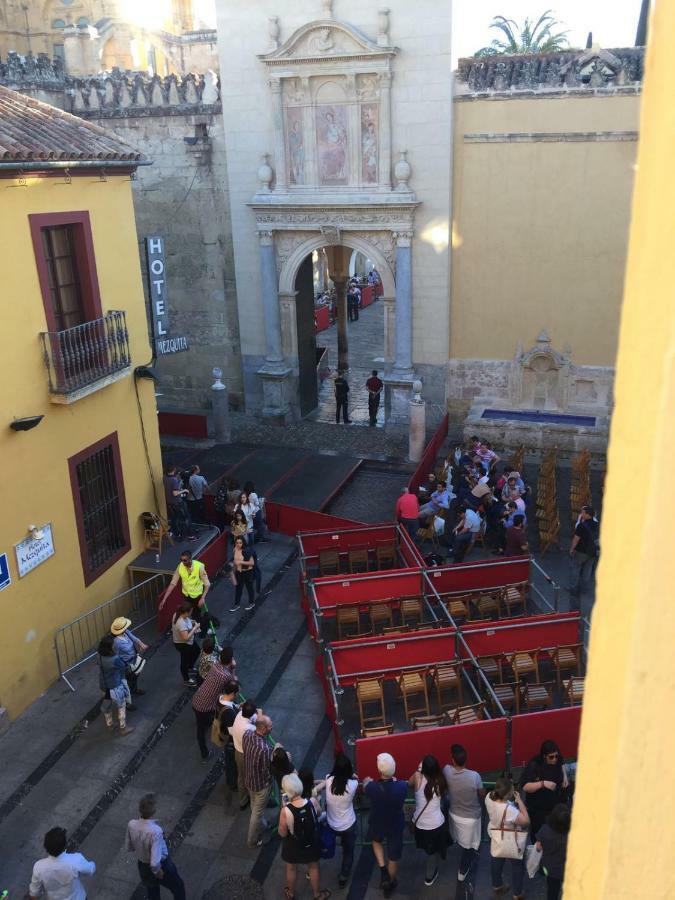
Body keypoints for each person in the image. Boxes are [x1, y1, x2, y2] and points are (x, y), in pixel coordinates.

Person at [278, 772, 330, 900]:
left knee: (291, 868)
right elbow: (318, 814)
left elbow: (282, 833)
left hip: (293, 845)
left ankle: (290, 893)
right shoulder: (312, 801)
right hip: (311, 842)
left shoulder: (285, 811)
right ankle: (317, 895)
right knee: (313, 867)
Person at [363, 753, 408, 898]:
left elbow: (365, 787)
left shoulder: (372, 787)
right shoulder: (402, 786)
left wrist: (366, 781)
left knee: (376, 841)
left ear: (380, 771)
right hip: (395, 824)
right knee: (393, 857)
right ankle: (390, 881)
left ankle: (383, 870)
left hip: (378, 821)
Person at [443, 744, 485, 896]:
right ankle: (462, 871)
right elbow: (482, 793)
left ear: (453, 760)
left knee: (463, 843)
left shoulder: (446, 771)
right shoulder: (475, 776)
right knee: (470, 848)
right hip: (472, 819)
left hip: (454, 814)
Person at [126, 793, 186, 899]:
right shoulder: (156, 832)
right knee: (178, 887)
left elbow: (129, 847)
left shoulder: (131, 824)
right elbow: (154, 862)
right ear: (154, 811)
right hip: (162, 866)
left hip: (143, 865)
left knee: (153, 892)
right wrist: (158, 871)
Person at [485, 777, 530, 899]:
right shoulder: (509, 810)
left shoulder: (488, 797)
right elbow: (526, 821)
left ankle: (497, 885)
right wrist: (519, 801)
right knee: (517, 866)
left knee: (496, 859)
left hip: (495, 833)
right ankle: (517, 894)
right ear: (508, 794)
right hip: (510, 838)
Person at [408, 755, 448, 887]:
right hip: (437, 824)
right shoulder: (441, 780)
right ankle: (430, 874)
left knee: (429, 849)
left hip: (421, 824)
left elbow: (409, 783)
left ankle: (429, 875)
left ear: (423, 769)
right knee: (433, 851)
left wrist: (419, 769)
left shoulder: (417, 776)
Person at [191, 647, 237, 761]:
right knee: (201, 730)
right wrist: (234, 667)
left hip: (198, 698)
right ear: (231, 660)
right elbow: (233, 682)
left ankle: (205, 723)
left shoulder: (215, 665)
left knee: (201, 722)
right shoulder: (226, 676)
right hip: (205, 706)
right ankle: (205, 753)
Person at [321, 753, 359, 887]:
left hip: (332, 823)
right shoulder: (353, 784)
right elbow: (354, 781)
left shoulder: (328, 779)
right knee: (349, 852)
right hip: (348, 824)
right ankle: (343, 876)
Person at [28, 826, 95, 900]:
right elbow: (90, 870)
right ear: (64, 846)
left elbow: (34, 893)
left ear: (46, 848)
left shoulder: (39, 867)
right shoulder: (76, 860)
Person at [520, 740, 569, 838]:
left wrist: (565, 775)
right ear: (544, 756)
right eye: (551, 757)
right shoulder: (534, 765)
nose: (554, 759)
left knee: (557, 836)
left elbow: (561, 761)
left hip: (555, 807)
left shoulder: (557, 758)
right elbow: (525, 786)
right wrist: (543, 783)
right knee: (539, 837)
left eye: (556, 756)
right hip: (538, 811)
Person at [243, 714, 276, 848]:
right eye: (269, 726)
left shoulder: (247, 735)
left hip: (249, 779)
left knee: (254, 805)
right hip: (261, 785)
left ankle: (264, 823)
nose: (271, 727)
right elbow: (267, 769)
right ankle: (251, 841)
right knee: (256, 814)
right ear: (263, 728)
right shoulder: (264, 749)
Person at [159, 551, 211, 635]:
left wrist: (202, 598)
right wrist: (164, 599)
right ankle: (188, 628)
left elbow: (207, 584)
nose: (183, 562)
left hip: (197, 595)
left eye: (185, 560)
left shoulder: (199, 567)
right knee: (185, 612)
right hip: (187, 595)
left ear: (190, 559)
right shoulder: (180, 566)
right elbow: (173, 583)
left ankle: (204, 629)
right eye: (181, 560)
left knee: (196, 614)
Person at [98, 634, 135, 736]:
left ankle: (110, 725)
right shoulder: (115, 659)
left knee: (107, 705)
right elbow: (123, 667)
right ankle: (123, 728)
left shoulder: (100, 656)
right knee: (121, 706)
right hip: (115, 686)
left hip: (103, 686)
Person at [536, 803, 571, 900]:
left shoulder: (545, 829)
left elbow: (538, 847)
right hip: (567, 868)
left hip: (550, 868)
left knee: (552, 890)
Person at [569, 505, 599, 609]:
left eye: (582, 512)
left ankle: (574, 588)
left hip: (581, 552)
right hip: (593, 552)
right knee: (587, 570)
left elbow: (576, 539)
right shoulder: (597, 524)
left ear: (587, 514)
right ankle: (584, 588)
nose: (581, 514)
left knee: (576, 569)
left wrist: (572, 549)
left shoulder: (581, 526)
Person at [110, 616, 148, 696]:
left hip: (132, 659)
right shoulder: (117, 642)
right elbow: (122, 653)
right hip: (126, 663)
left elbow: (134, 638)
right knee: (127, 680)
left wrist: (141, 644)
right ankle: (126, 698)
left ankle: (134, 689)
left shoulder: (125, 632)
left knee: (135, 675)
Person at [232, 699, 257, 810]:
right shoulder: (249, 729)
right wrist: (260, 715)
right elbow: (260, 730)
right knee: (252, 778)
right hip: (246, 755)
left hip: (237, 751)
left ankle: (243, 801)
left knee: (241, 777)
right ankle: (254, 802)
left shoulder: (238, 715)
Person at [217, 681, 241, 794]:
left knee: (229, 762)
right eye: (237, 693)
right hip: (231, 742)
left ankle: (229, 780)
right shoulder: (229, 714)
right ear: (232, 694)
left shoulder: (220, 698)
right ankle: (232, 784)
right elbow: (232, 732)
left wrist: (237, 707)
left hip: (224, 735)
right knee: (232, 763)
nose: (237, 695)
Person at [170, 601, 201, 686]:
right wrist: (195, 628)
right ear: (187, 612)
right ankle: (186, 679)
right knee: (184, 661)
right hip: (183, 644)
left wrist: (191, 621)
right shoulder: (181, 623)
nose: (192, 612)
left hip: (188, 642)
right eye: (191, 611)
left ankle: (190, 667)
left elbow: (186, 620)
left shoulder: (179, 614)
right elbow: (186, 637)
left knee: (197, 650)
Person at [163, 465, 195, 541]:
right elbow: (175, 493)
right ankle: (191, 535)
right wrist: (184, 490)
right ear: (174, 470)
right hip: (177, 502)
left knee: (174, 518)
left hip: (170, 502)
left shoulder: (164, 478)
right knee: (186, 517)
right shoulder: (174, 480)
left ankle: (177, 533)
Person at [230, 535, 256, 612]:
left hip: (247, 573)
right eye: (237, 543)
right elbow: (235, 562)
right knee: (238, 589)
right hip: (239, 572)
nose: (238, 544)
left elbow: (252, 563)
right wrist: (233, 573)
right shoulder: (235, 549)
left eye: (240, 543)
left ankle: (251, 603)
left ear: (243, 543)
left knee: (249, 588)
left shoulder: (247, 551)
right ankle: (236, 604)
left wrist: (240, 562)